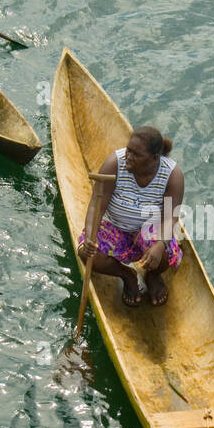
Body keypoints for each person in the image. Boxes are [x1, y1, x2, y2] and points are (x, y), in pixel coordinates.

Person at [77, 126, 184, 307]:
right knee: (88, 255)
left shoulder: (172, 175)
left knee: (163, 251)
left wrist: (159, 244)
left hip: (149, 229)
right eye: (128, 150)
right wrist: (89, 236)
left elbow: (170, 217)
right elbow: (97, 204)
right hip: (115, 226)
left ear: (154, 159)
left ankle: (153, 275)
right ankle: (127, 275)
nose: (129, 157)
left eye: (136, 154)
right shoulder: (115, 164)